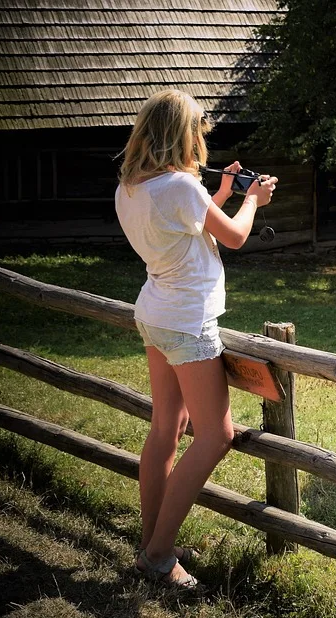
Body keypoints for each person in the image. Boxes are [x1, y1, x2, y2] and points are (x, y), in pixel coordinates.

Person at [115, 89, 277, 589]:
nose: (201, 139)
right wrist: (251, 199)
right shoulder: (181, 188)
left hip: (156, 312)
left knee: (166, 426)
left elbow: (186, 227)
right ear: (181, 134)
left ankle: (151, 541)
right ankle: (160, 555)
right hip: (187, 321)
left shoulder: (132, 187)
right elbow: (232, 237)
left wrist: (222, 193)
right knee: (215, 436)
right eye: (197, 131)